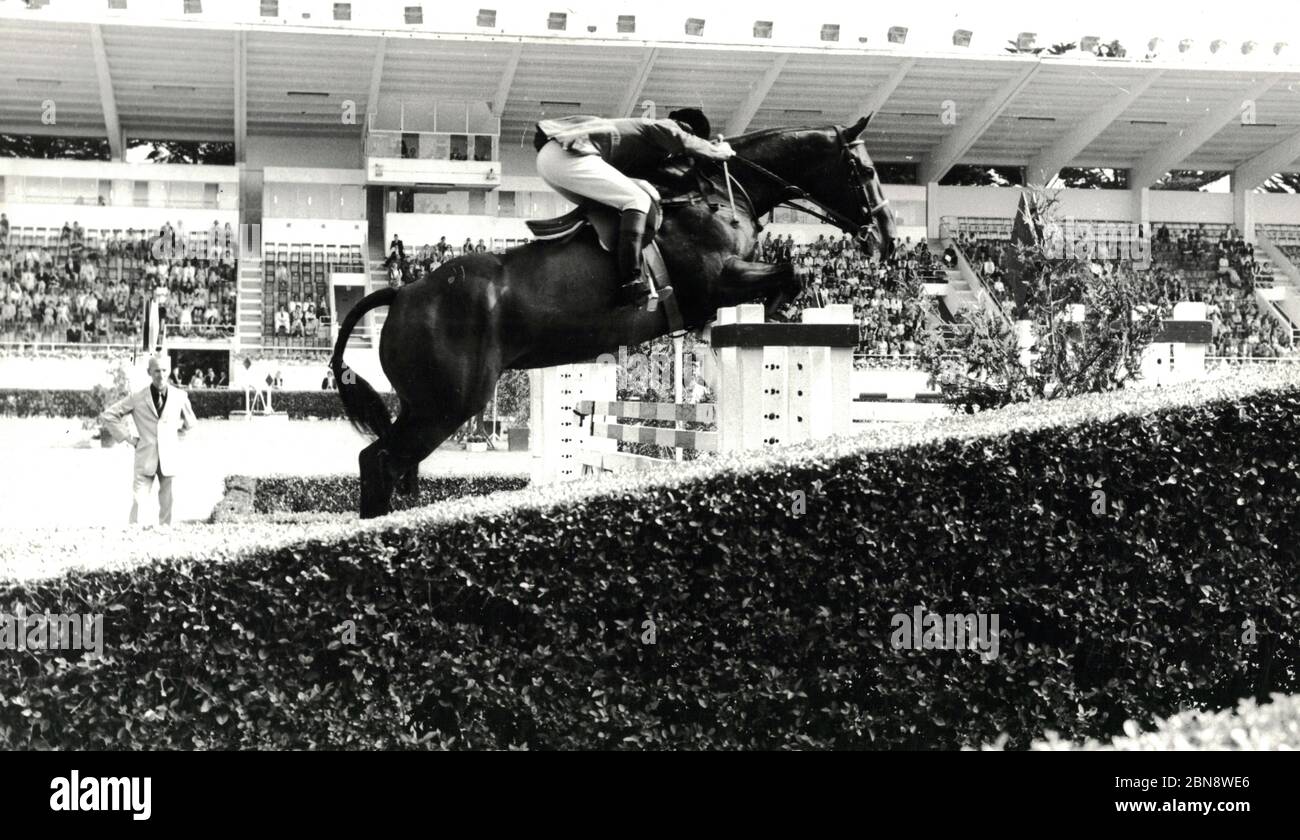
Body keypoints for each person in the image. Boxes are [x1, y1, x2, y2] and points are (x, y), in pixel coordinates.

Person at [533, 107, 734, 305]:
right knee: (637, 200)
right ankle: (630, 280)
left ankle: (609, 276)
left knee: (625, 208)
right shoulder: (666, 126)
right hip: (567, 156)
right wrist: (718, 151)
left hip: (553, 161)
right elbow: (685, 141)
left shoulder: (641, 143)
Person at [98, 355, 197, 526]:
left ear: (170, 371)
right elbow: (109, 415)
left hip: (170, 458)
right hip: (145, 455)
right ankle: (134, 538)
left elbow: (191, 423)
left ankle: (166, 541)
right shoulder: (137, 397)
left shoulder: (180, 396)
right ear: (149, 372)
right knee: (139, 502)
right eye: (156, 370)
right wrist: (129, 438)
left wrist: (176, 437)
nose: (161, 374)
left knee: (168, 505)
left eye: (164, 370)